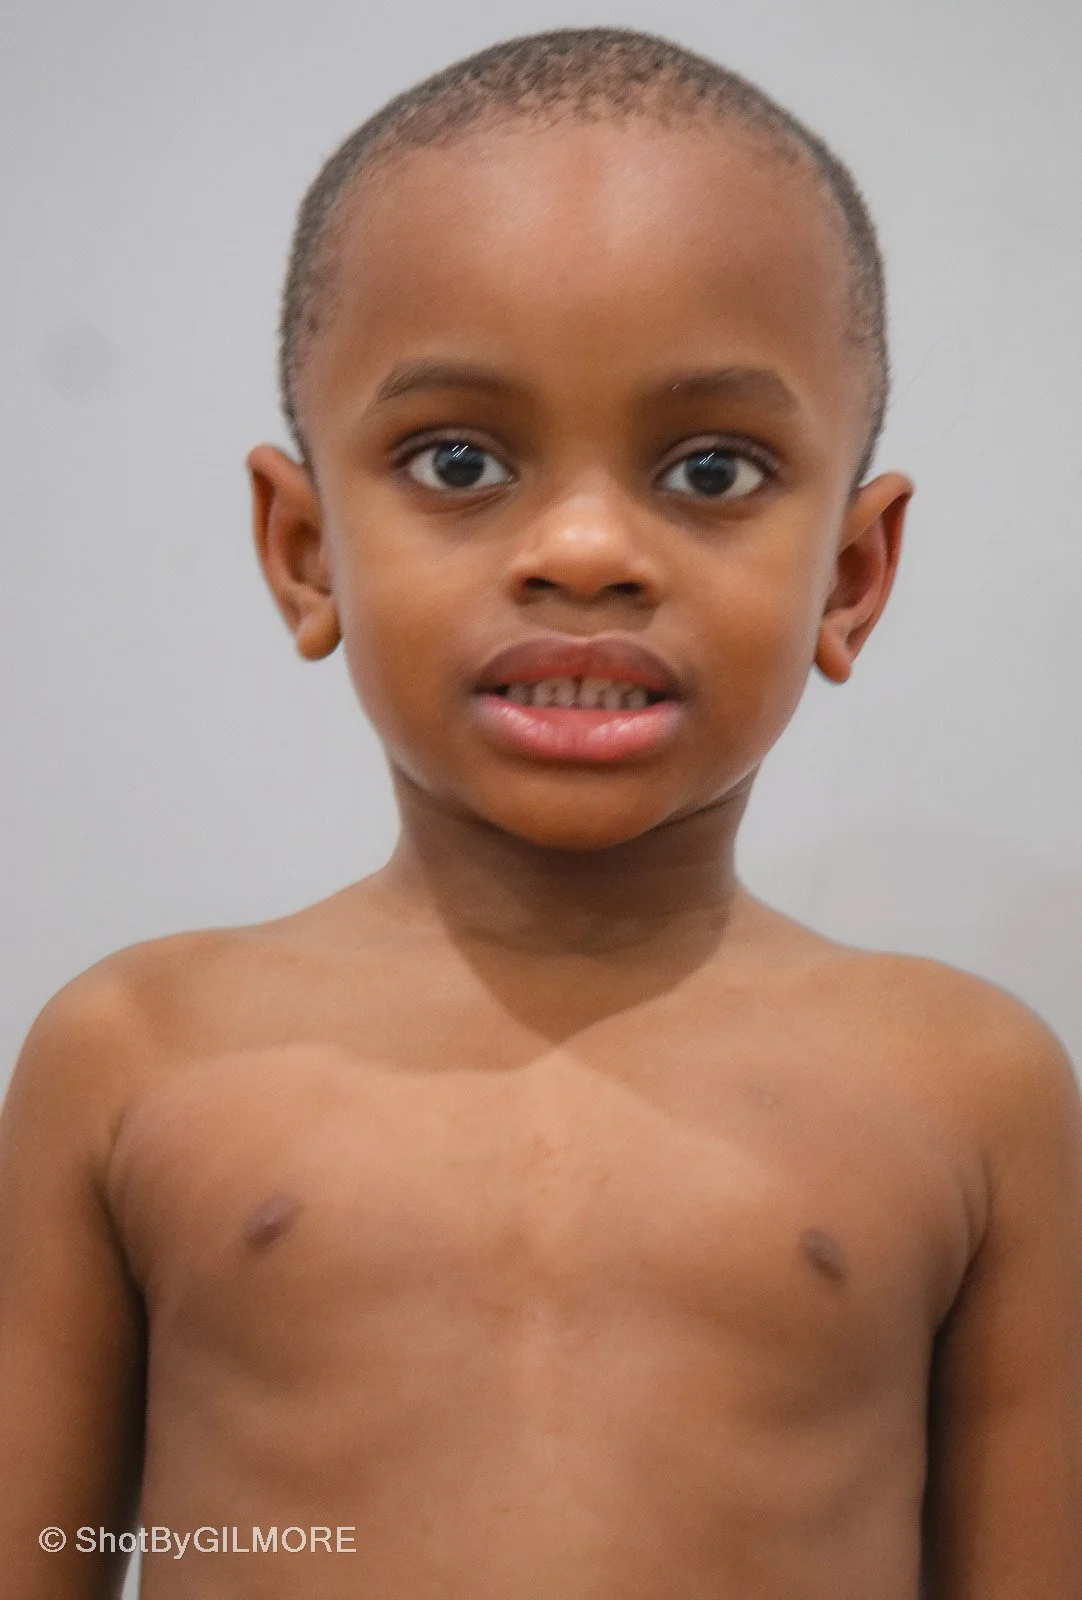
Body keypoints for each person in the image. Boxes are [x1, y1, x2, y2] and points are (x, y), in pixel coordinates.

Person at [2, 26, 1079, 1600]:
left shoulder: (972, 1089)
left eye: (710, 471)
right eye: (459, 458)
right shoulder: (133, 1053)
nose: (582, 548)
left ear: (850, 579)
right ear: (305, 550)